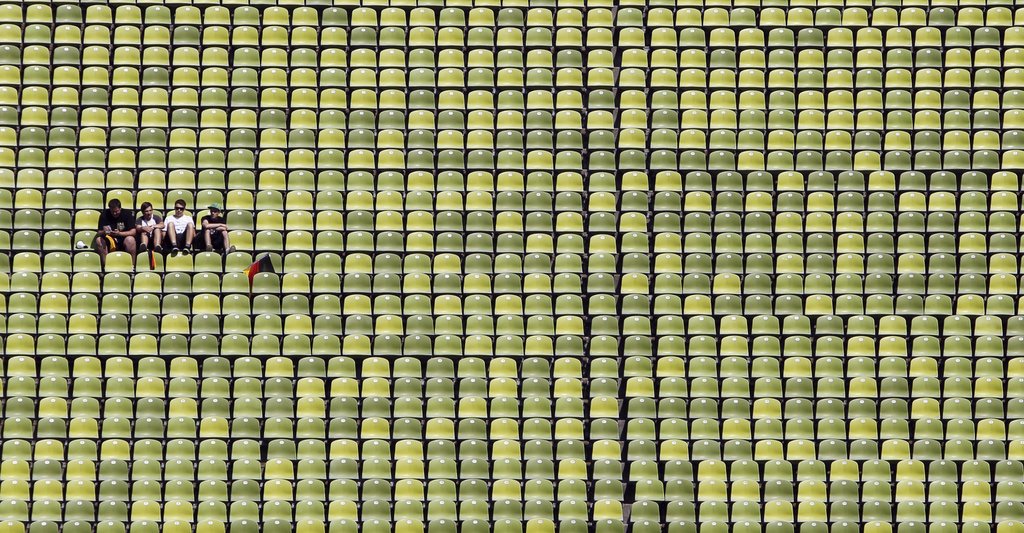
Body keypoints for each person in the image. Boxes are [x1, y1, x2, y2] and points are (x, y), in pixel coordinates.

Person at [95, 199, 137, 266]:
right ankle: (106, 266)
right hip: (109, 238)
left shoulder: (127, 214)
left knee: (130, 240)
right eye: (113, 211)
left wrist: (119, 233)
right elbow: (99, 232)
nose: (114, 213)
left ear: (120, 208)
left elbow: (133, 231)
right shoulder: (104, 214)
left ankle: (132, 265)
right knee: (99, 240)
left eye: (116, 211)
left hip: (123, 238)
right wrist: (104, 231)